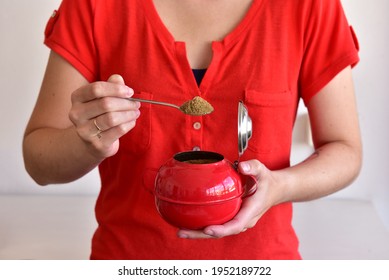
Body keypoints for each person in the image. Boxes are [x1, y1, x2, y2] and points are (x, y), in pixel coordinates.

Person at [23, 0, 362, 259]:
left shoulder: (308, 7)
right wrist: (89, 143)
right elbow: (39, 160)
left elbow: (345, 150)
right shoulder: (94, 6)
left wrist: (280, 186)